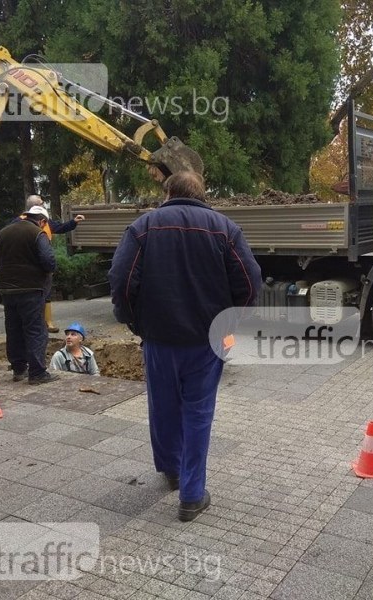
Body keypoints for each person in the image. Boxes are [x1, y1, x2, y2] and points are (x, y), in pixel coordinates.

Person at [108, 171, 261, 521]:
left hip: (159, 339)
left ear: (167, 192)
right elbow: (250, 283)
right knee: (198, 413)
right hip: (207, 342)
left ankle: (172, 470)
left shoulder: (143, 227)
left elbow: (121, 279)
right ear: (201, 193)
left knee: (162, 406)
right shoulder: (225, 228)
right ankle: (192, 496)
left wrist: (133, 320)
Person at [0, 205, 59, 385]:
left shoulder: (4, 232)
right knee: (35, 329)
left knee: (13, 329)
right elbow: (48, 261)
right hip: (31, 289)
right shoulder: (37, 233)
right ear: (42, 221)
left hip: (7, 290)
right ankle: (37, 372)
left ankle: (18, 368)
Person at [19, 194, 86, 333]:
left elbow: (59, 227)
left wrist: (74, 222)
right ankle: (36, 323)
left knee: (46, 293)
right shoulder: (19, 222)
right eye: (42, 203)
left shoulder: (46, 222)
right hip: (31, 264)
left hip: (42, 264)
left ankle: (47, 322)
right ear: (35, 207)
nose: (44, 205)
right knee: (33, 294)